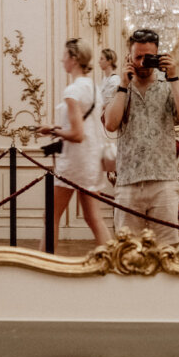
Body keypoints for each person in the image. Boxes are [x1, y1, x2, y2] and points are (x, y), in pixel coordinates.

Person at [101, 29, 179, 246]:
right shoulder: (118, 86)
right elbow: (111, 124)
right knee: (127, 252)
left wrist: (174, 77)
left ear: (158, 55)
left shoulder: (168, 84)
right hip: (127, 183)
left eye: (148, 56)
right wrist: (124, 84)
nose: (143, 62)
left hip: (164, 181)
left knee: (168, 251)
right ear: (128, 57)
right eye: (138, 57)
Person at [36, 38, 112, 252]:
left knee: (50, 216)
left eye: (65, 55)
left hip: (75, 161)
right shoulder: (94, 89)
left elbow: (77, 134)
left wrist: (51, 129)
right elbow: (84, 129)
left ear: (74, 58)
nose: (62, 59)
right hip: (91, 159)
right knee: (93, 217)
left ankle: (45, 265)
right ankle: (115, 263)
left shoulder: (72, 91)